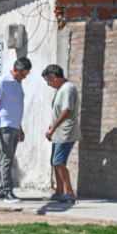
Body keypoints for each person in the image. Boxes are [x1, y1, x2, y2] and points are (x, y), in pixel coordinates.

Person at [0, 57, 32, 203]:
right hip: (5, 125)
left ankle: (0, 193)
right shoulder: (2, 82)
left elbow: (16, 108)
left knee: (5, 159)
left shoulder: (18, 84)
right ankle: (8, 192)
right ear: (16, 70)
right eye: (23, 74)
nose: (24, 77)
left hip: (14, 126)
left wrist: (21, 128)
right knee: (7, 159)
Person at [42, 64, 81, 203]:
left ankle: (69, 192)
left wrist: (53, 128)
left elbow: (67, 110)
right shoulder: (60, 90)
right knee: (55, 162)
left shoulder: (68, 88)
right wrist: (52, 128)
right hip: (58, 133)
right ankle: (59, 192)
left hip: (66, 132)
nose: (48, 83)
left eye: (48, 80)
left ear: (54, 76)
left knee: (58, 161)